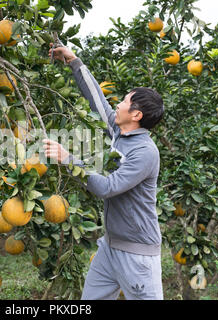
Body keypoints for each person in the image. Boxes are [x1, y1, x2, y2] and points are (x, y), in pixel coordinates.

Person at [43, 44, 165, 300]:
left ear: (136, 115)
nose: (118, 105)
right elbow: (97, 102)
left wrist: (67, 158)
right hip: (110, 247)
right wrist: (75, 62)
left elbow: (108, 187)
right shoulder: (121, 133)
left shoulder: (144, 152)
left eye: (124, 102)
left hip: (137, 255)